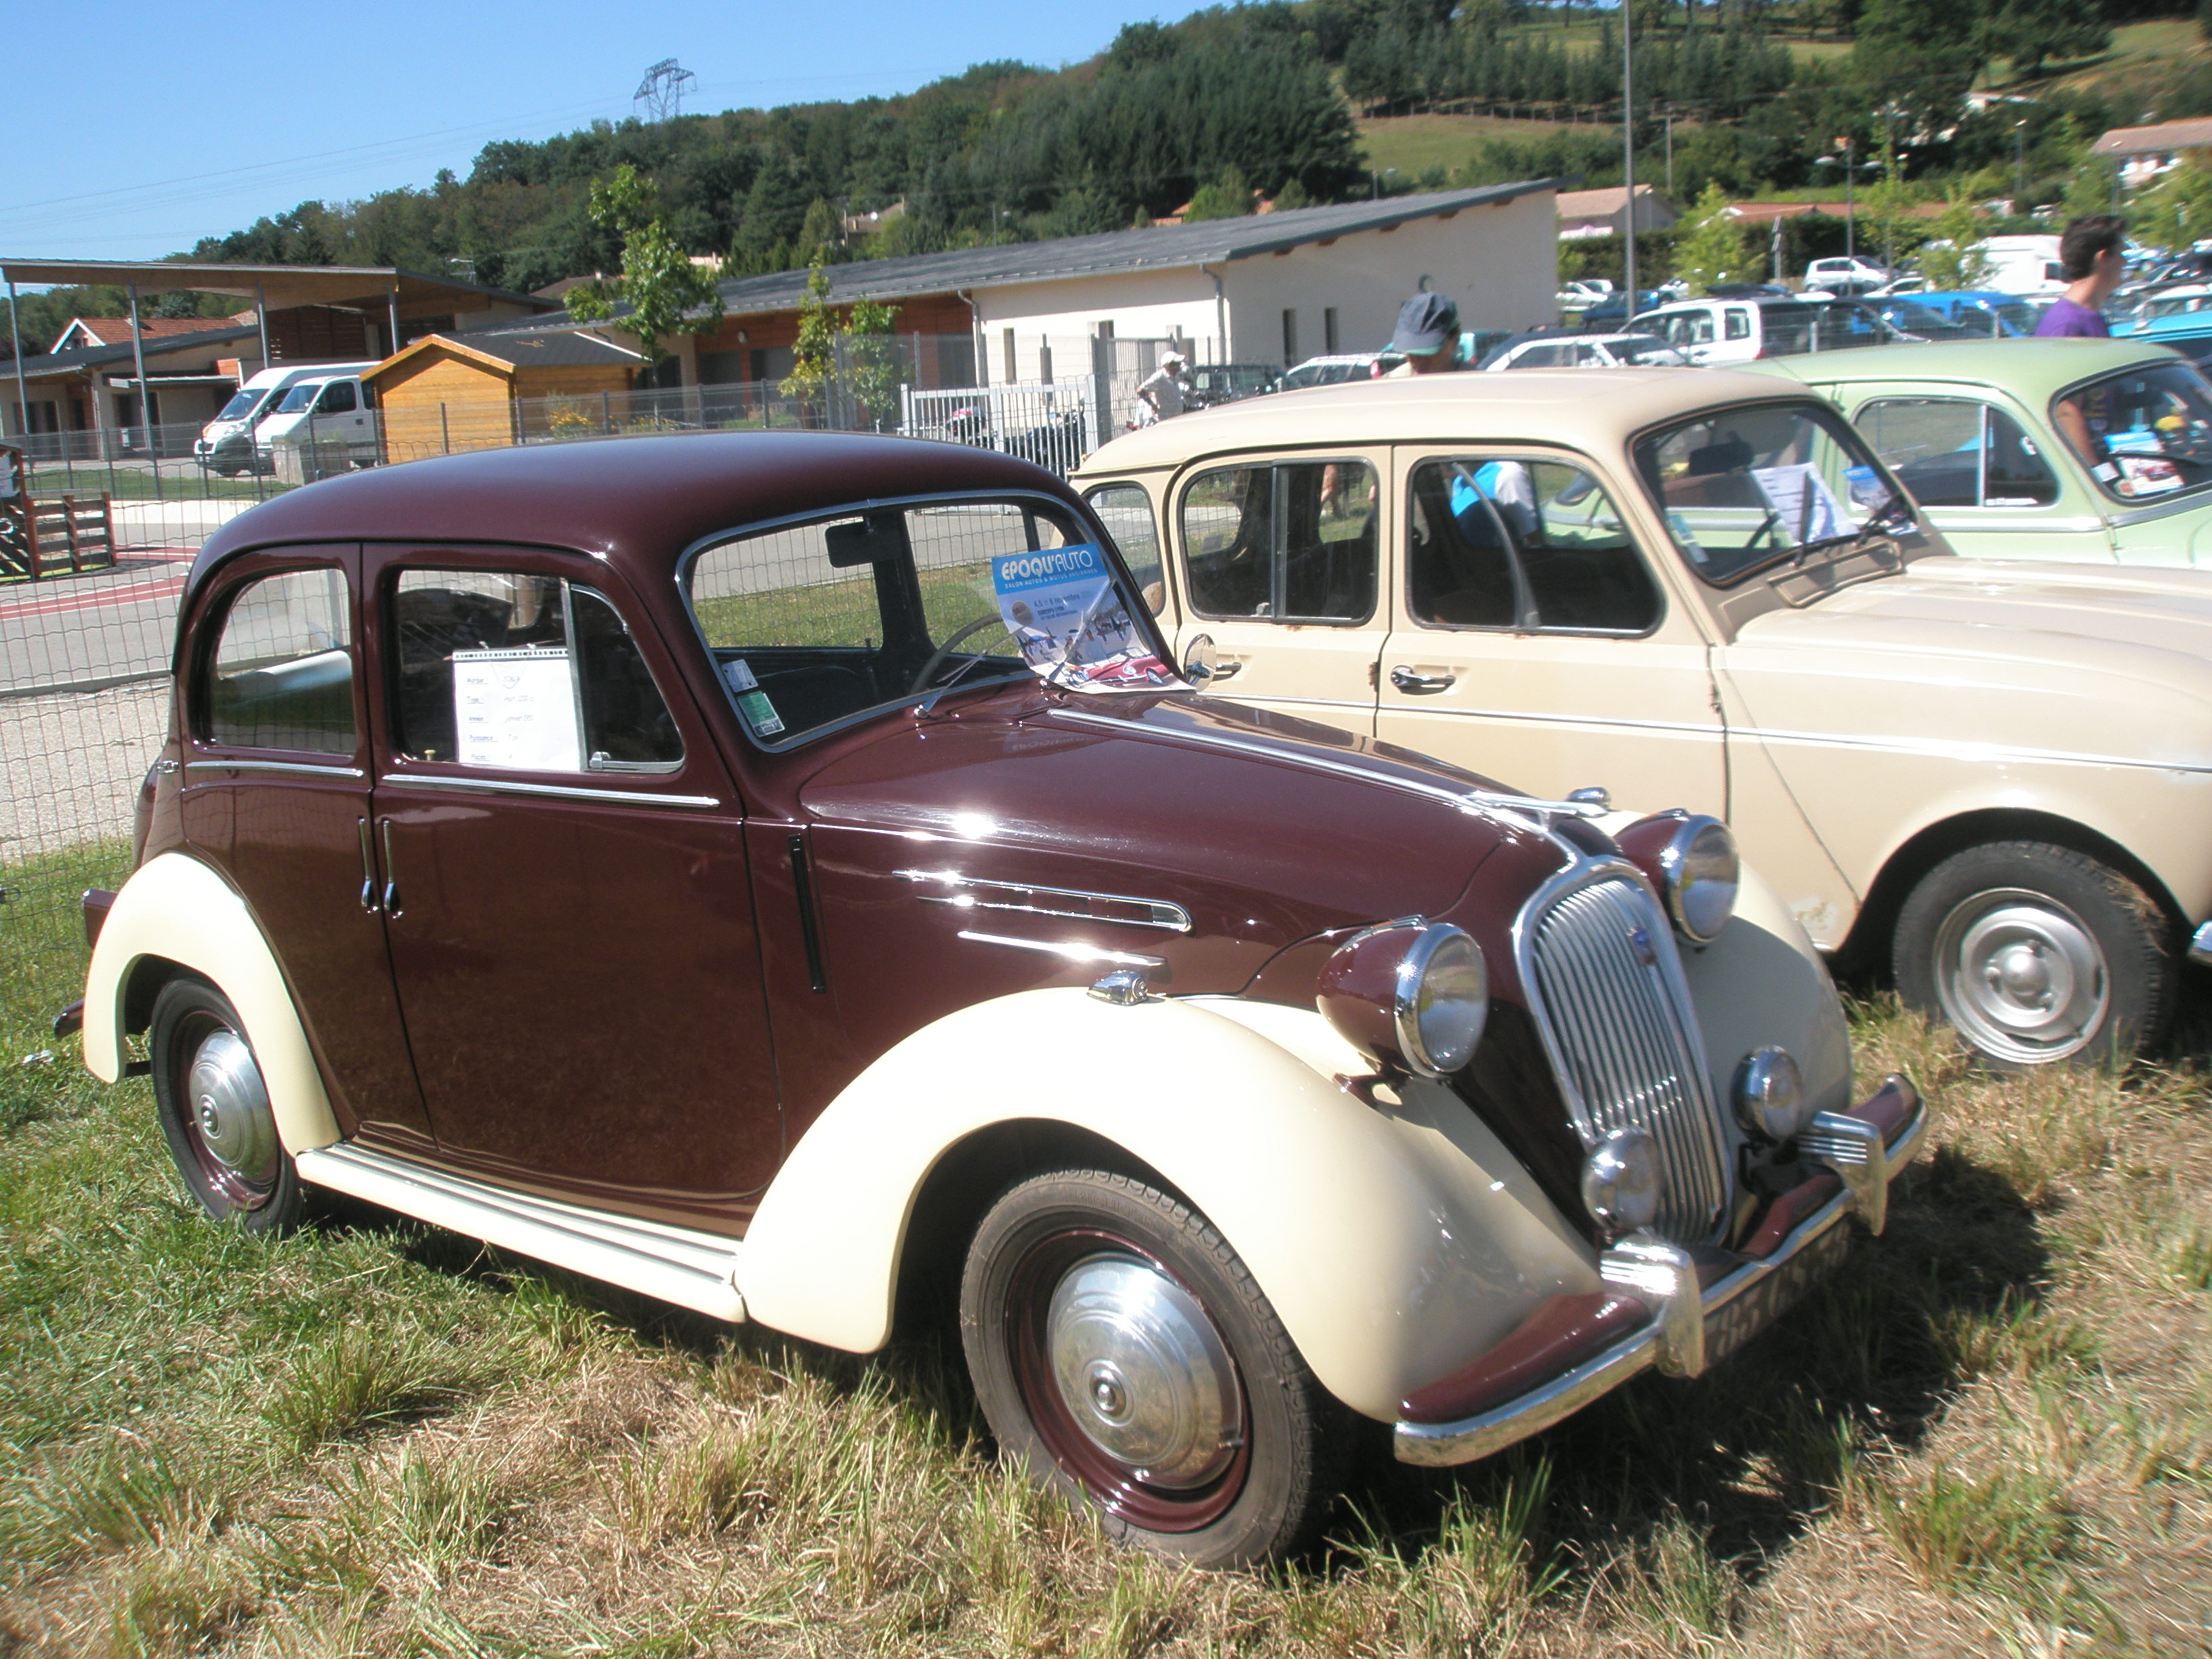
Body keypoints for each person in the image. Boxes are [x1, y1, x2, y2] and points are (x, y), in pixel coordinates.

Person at [2034, 215, 2126, 339]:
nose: (2125, 262)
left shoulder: (2088, 315)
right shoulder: (2068, 326)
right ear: (2103, 258)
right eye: (2120, 254)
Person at [1385, 291, 1463, 375]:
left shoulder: (1475, 382)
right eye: (1412, 351)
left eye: (1428, 351)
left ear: (1454, 341)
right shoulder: (1390, 384)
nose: (1419, 360)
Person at [1135, 351, 1191, 424]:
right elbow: (1140, 390)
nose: (1179, 365)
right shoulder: (1159, 377)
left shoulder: (1175, 377)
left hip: (1177, 417)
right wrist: (1152, 404)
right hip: (1165, 419)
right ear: (1169, 365)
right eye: (1177, 363)